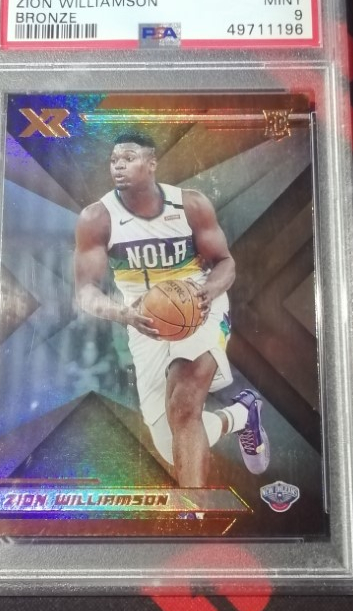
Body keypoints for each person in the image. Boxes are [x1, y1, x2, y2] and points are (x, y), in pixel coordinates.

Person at [74, 132, 269, 486]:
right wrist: (122, 314)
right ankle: (243, 414)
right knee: (171, 446)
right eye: (114, 160)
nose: (118, 165)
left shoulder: (190, 205)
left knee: (183, 407)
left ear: (151, 164)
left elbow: (225, 263)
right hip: (142, 318)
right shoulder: (97, 218)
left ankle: (194, 513)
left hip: (198, 307)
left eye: (128, 158)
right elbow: (85, 291)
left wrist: (209, 291)